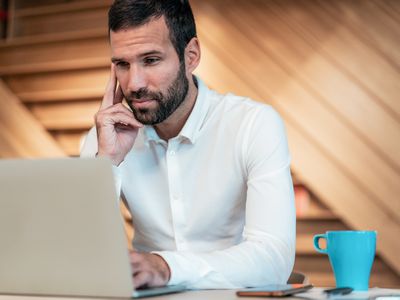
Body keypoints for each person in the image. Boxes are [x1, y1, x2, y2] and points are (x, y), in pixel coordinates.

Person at [81, 0, 295, 290]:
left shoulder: (253, 124)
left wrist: (167, 267)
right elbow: (84, 262)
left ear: (191, 55)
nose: (134, 83)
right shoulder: (103, 140)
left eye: (151, 60)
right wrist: (108, 164)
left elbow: (274, 259)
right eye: (122, 64)